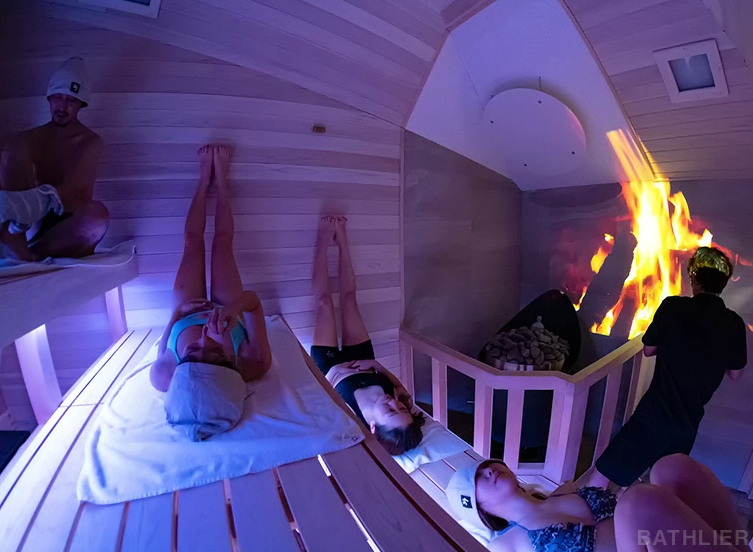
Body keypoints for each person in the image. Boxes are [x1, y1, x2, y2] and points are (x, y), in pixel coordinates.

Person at [593, 246, 747, 488]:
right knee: (663, 484)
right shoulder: (734, 323)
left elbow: (649, 349)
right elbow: (736, 373)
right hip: (688, 422)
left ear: (695, 279)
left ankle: (586, 509)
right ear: (723, 284)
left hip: (655, 412)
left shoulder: (674, 307)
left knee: (603, 475)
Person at [149, 144, 272, 441]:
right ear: (233, 366)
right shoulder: (255, 363)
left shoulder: (163, 376)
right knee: (222, 244)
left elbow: (164, 344)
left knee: (192, 243)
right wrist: (232, 309)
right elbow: (253, 302)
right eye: (215, 351)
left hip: (186, 314)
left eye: (193, 351)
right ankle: (223, 184)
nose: (205, 337)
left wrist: (178, 314)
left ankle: (205, 180)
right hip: (229, 308)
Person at [447, 454, 750, 552]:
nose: (488, 471)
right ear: (479, 508)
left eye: (486, 466)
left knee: (673, 467)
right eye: (478, 480)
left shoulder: (564, 490)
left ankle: (740, 546)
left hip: (654, 544)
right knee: (636, 500)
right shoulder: (505, 544)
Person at [311, 215, 424, 455]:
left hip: (329, 368)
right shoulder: (401, 399)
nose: (394, 403)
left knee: (324, 304)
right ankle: (341, 240)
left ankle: (322, 242)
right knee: (349, 301)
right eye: (402, 409)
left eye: (390, 411)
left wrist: (334, 372)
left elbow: (318, 398)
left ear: (373, 427)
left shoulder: (350, 418)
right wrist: (375, 365)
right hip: (363, 359)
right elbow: (396, 385)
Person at [0, 57, 109, 261]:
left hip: (67, 225)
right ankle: (17, 246)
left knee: (98, 217)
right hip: (28, 224)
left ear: (81, 104)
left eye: (71, 100)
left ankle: (32, 256)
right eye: (57, 97)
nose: (62, 106)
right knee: (13, 149)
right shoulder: (26, 141)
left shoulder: (91, 142)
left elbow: (77, 187)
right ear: (49, 98)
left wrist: (38, 199)